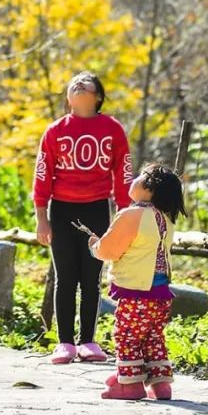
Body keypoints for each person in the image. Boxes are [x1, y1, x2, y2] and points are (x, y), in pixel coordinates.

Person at [33, 71, 132, 364]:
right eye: (73, 82)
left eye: (85, 83)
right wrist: (41, 216)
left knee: (91, 277)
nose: (77, 84)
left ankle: (88, 340)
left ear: (97, 96)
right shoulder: (55, 130)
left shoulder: (112, 128)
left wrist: (125, 213)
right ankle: (65, 342)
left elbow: (122, 171)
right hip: (61, 209)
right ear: (68, 97)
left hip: (96, 209)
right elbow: (42, 174)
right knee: (65, 277)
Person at [89, 162, 184, 401]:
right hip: (160, 292)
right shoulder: (164, 217)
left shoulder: (132, 214)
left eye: (141, 176)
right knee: (153, 336)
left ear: (149, 188)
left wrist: (94, 247)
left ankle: (130, 385)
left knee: (127, 335)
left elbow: (110, 250)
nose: (134, 179)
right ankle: (161, 384)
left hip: (136, 292)